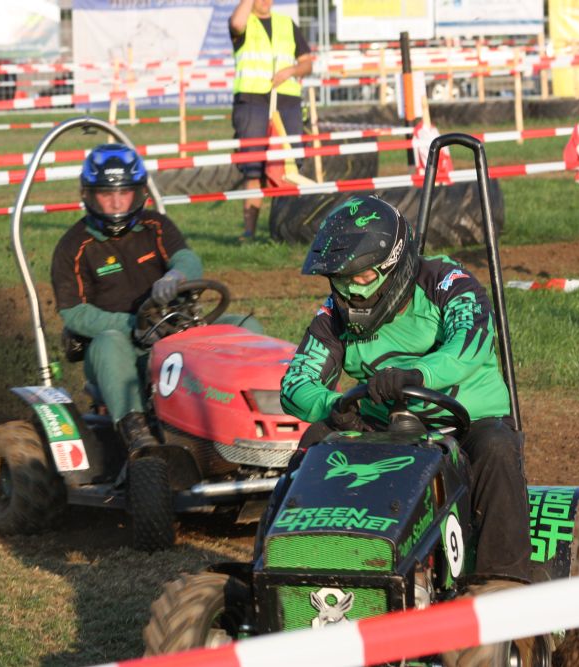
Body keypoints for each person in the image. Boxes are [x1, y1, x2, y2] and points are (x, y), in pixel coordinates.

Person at [278, 195, 532, 587]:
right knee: (316, 442)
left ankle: (505, 587)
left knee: (496, 449)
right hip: (384, 425)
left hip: (466, 423)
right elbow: (295, 385)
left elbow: (470, 343)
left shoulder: (446, 282)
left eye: (361, 277)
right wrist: (335, 403)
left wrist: (416, 374)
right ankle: (289, 565)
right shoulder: (333, 316)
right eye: (340, 280)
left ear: (393, 267)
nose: (350, 293)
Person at [51, 143, 262, 454]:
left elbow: (186, 259)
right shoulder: (73, 246)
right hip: (119, 346)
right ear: (88, 195)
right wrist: (132, 325)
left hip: (176, 329)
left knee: (245, 327)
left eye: (124, 194)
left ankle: (266, 413)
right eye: (107, 195)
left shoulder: (156, 225)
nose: (116, 203)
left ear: (139, 193)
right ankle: (135, 429)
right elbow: (74, 313)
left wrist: (175, 276)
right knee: (109, 343)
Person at [229, 0, 312, 242]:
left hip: (286, 102)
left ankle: (284, 231)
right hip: (252, 101)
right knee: (253, 168)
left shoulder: (287, 24)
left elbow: (307, 62)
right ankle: (249, 232)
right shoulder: (243, 21)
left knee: (288, 167)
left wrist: (291, 71)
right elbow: (236, 23)